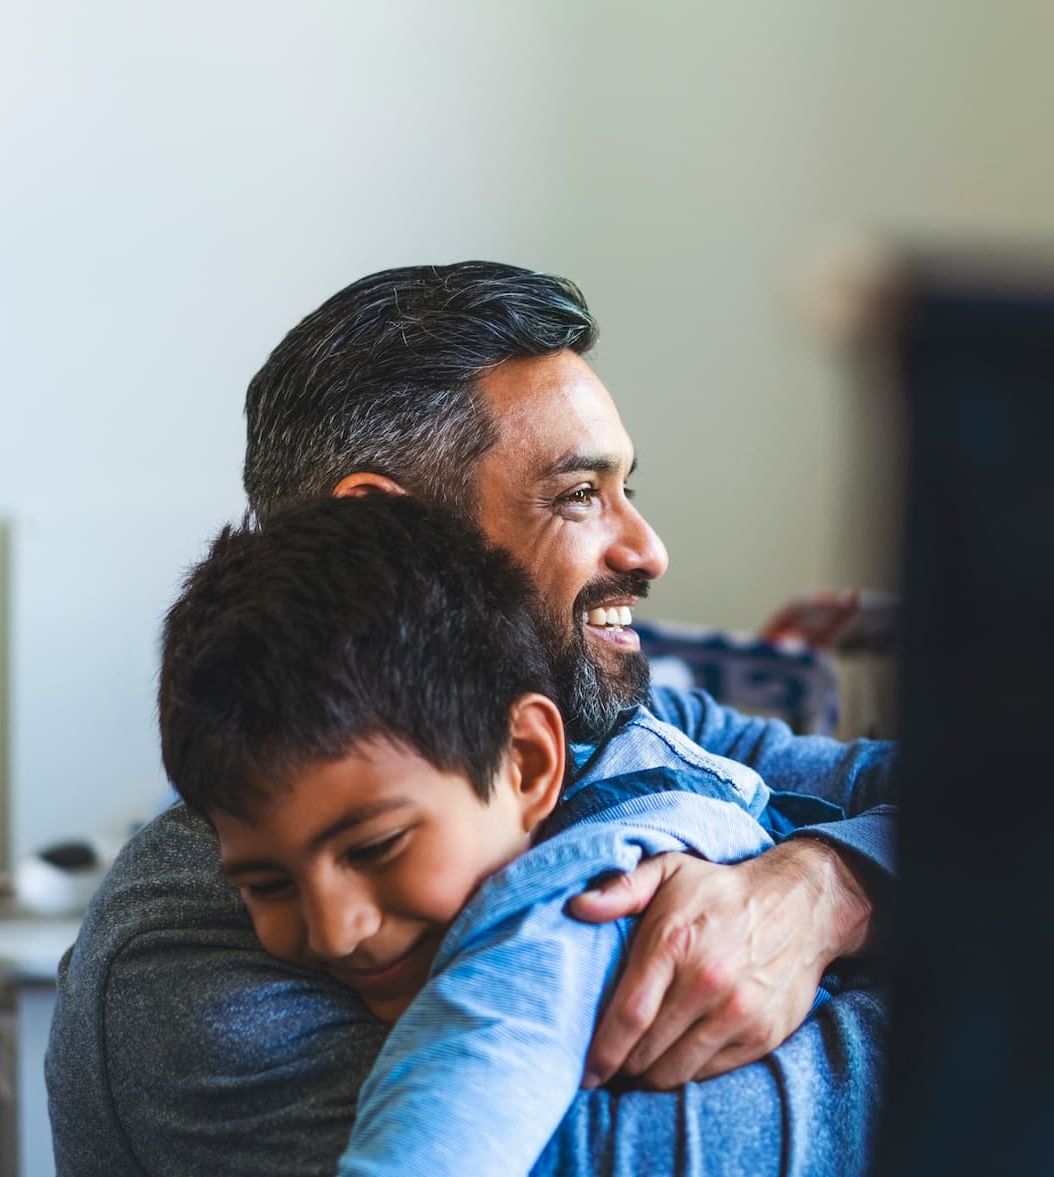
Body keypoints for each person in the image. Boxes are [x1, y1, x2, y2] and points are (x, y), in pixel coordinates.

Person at [47, 262, 898, 1176]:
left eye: (627, 490)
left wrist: (828, 885)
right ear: (390, 528)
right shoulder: (185, 963)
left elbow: (1022, 813)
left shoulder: (603, 724)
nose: (646, 550)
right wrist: (1014, 987)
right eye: (579, 493)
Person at [158, 495, 855, 1176]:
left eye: (376, 847)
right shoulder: (163, 953)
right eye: (268, 884)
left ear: (529, 763)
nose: (336, 930)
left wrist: (839, 884)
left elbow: (461, 1090)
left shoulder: (560, 912)